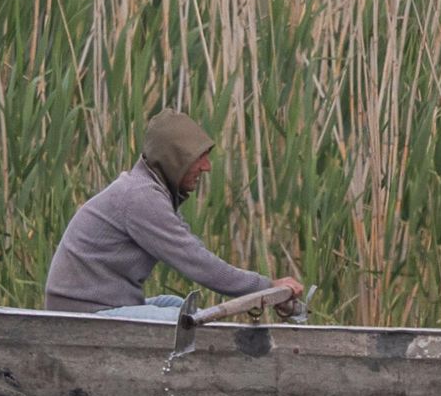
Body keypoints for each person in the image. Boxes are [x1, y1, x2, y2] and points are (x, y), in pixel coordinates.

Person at [45, 108, 303, 321]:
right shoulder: (140, 197)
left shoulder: (151, 192)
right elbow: (196, 262)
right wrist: (266, 287)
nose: (207, 167)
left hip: (107, 304)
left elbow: (194, 250)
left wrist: (264, 291)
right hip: (81, 313)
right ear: (174, 159)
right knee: (180, 323)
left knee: (181, 308)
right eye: (199, 158)